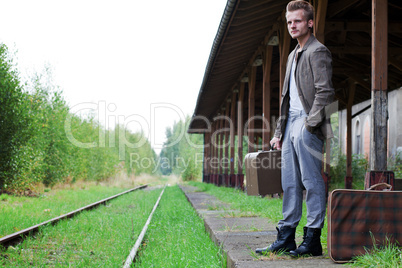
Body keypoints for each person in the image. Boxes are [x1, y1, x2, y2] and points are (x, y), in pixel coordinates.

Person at [255, 0, 335, 257]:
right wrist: (279, 132)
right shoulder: (292, 55)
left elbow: (326, 93)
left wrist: (309, 126)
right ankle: (286, 237)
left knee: (311, 181)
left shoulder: (318, 51)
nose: (292, 26)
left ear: (310, 23)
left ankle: (312, 239)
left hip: (307, 123)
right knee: (289, 182)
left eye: (297, 21)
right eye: (289, 22)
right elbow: (286, 98)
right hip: (290, 122)